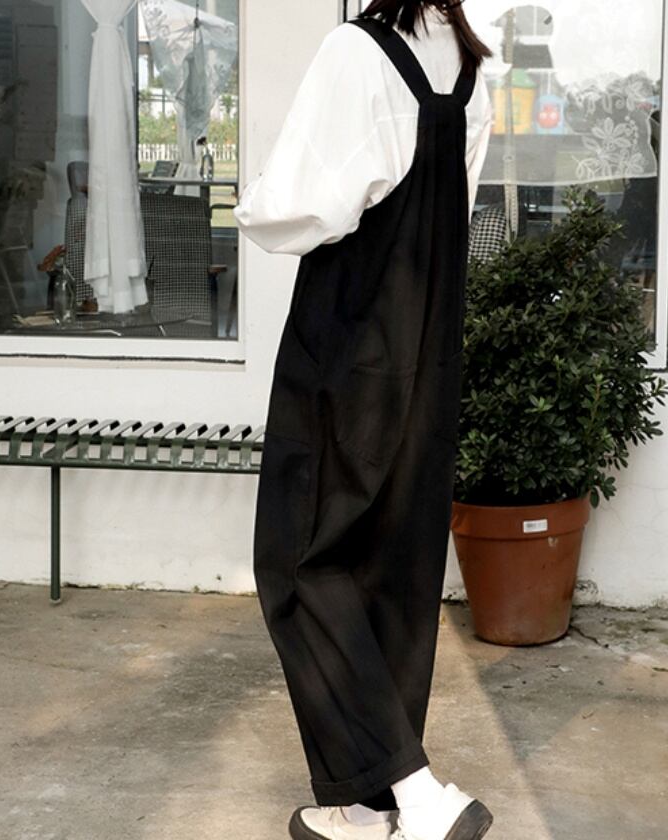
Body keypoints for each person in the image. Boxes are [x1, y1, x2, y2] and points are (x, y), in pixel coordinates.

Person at [234, 2, 495, 838]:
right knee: (393, 562)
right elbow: (457, 203)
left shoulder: (357, 51)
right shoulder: (474, 68)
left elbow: (299, 206)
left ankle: (417, 795)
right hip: (430, 343)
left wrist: (252, 199)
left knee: (298, 558)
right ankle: (361, 803)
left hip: (350, 341)